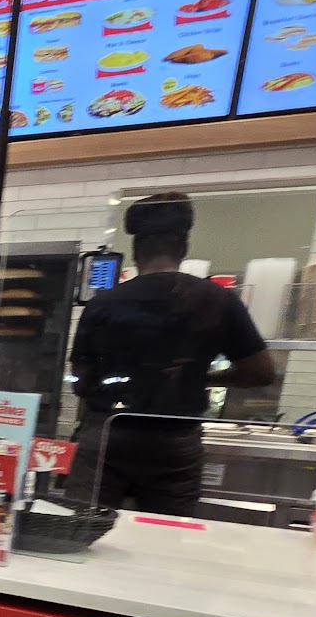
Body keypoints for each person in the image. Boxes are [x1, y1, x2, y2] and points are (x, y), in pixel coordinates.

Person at [65, 193, 276, 516]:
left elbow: (81, 382)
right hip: (174, 441)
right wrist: (200, 376)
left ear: (136, 250)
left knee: (82, 529)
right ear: (183, 248)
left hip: (108, 436)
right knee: (166, 535)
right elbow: (261, 372)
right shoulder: (218, 300)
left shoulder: (103, 304)